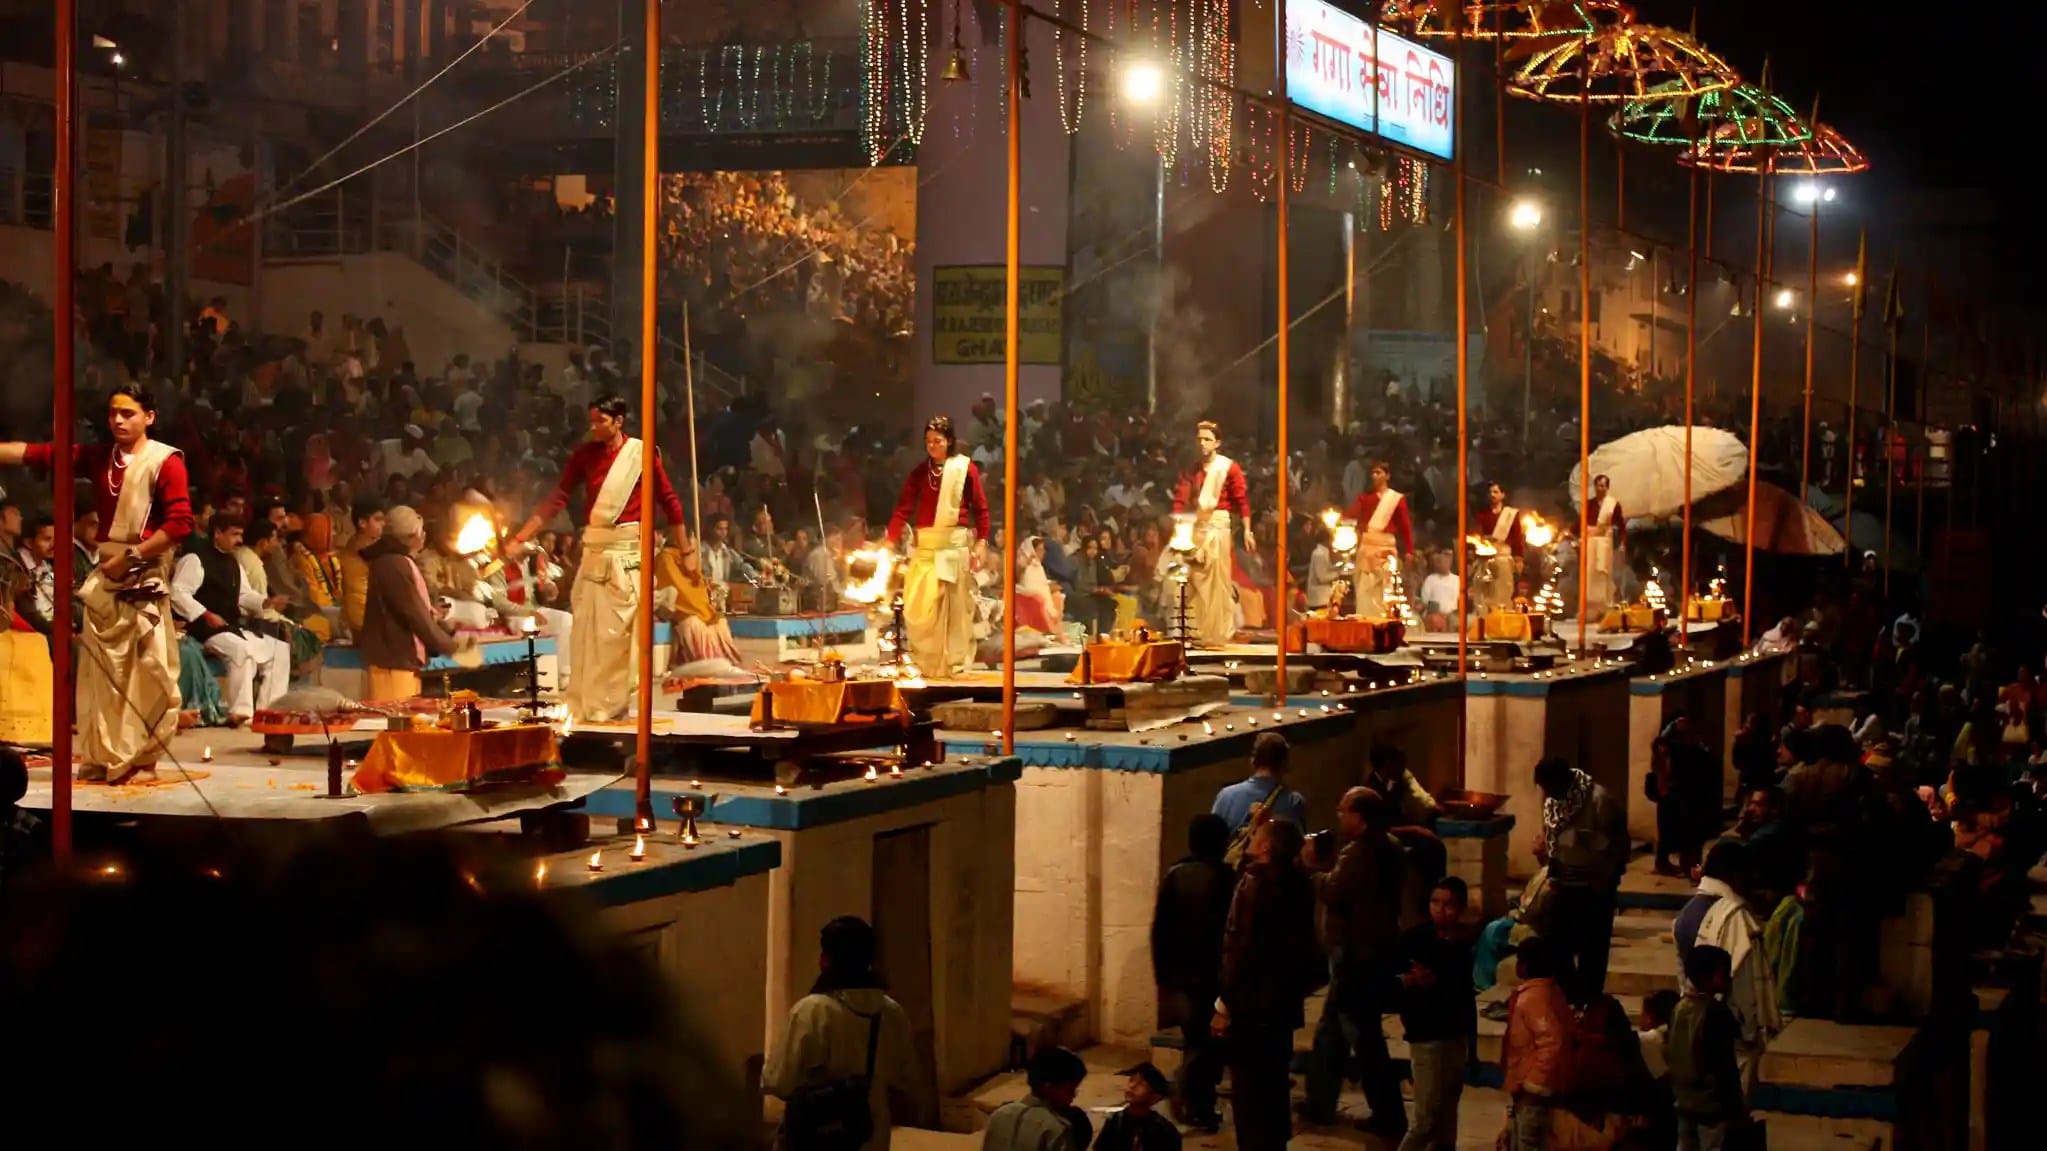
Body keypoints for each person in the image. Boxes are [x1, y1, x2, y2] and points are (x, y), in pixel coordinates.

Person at [0, 382, 193, 783]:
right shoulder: (99, 457)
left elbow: (179, 524)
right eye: (113, 414)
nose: (119, 421)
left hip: (142, 575)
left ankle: (142, 758)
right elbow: (41, 454)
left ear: (149, 417)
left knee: (150, 672)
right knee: (102, 676)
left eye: (128, 414)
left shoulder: (165, 462)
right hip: (108, 579)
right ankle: (106, 756)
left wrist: (133, 556)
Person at [506, 394, 689, 722]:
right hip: (594, 553)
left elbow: (670, 501)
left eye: (600, 421)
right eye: (591, 421)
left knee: (616, 637)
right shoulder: (584, 456)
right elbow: (557, 497)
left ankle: (611, 707)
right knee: (586, 633)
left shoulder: (641, 455)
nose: (593, 427)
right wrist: (522, 535)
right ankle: (587, 707)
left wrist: (686, 551)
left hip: (625, 557)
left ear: (618, 421)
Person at [763, 915, 924, 1151]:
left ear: (825, 960)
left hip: (816, 1139)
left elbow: (778, 1081)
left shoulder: (812, 1011)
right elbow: (906, 1078)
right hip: (870, 1136)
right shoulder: (892, 1011)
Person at [1303, 787, 1408, 1134]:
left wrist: (1313, 867)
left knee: (1364, 1037)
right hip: (1370, 952)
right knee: (1331, 1031)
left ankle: (1389, 1113)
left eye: (1343, 810)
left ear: (1359, 818)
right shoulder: (1388, 847)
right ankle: (1319, 1102)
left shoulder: (1360, 854)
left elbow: (1333, 890)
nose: (1338, 815)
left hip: (1356, 957)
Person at [1214, 818, 1321, 1151]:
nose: (1252, 835)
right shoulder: (1299, 884)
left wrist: (1224, 1004)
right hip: (1282, 1005)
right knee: (1274, 1089)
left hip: (1251, 1006)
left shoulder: (1253, 885)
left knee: (1249, 1095)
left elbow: (1241, 950)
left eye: (1258, 834)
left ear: (1266, 847)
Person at [1148, 814, 1234, 1132]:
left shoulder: (1175, 875)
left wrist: (1162, 978)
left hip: (1181, 976)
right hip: (1212, 975)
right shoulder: (1226, 878)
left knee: (1198, 1040)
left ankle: (1196, 1102)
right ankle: (1191, 1098)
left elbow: (1159, 930)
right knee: (1208, 1044)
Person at [886, 416, 990, 678]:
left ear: (950, 441)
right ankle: (928, 665)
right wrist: (889, 540)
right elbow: (903, 508)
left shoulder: (965, 469)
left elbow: (981, 509)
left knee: (954, 611)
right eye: (928, 441)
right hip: (926, 548)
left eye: (938, 441)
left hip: (953, 548)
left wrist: (982, 541)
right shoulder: (920, 473)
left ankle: (954, 665)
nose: (932, 446)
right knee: (920, 608)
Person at [169, 513, 292, 726]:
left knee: (279, 650)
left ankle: (268, 713)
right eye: (234, 534)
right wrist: (206, 614)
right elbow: (178, 593)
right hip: (203, 629)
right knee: (241, 651)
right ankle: (242, 713)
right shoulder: (195, 559)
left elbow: (244, 595)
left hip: (231, 628)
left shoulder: (233, 562)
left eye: (241, 534)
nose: (240, 540)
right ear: (217, 533)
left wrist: (266, 603)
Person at [1534, 756, 1629, 1001]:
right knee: (1555, 946)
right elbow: (1553, 839)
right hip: (1564, 883)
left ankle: (1588, 1003)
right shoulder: (1553, 803)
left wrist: (1605, 876)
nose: (1546, 793)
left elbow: (1619, 845)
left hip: (1595, 886)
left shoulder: (1598, 801)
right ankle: (1573, 996)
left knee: (1593, 951)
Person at [1395, 876, 1478, 1151]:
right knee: (1426, 1118)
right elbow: (1391, 983)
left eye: (1449, 904)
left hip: (1454, 1035)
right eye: (1435, 902)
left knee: (1447, 1114)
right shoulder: (1414, 940)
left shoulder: (1464, 943)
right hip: (1427, 1036)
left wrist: (1472, 1045)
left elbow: (1465, 995)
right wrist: (1410, 981)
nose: (1441, 910)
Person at [358, 506, 467, 700]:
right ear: (413, 535)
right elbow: (414, 615)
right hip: (392, 662)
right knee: (397, 724)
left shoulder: (396, 561)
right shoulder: (393, 564)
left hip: (399, 661)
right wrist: (453, 648)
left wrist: (433, 616)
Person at [1170, 420, 1251, 647]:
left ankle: (1215, 634)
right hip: (1197, 528)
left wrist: (1247, 529)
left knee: (1217, 582)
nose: (1202, 443)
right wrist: (1178, 528)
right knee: (1194, 580)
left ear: (1217, 443)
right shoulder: (1191, 470)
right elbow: (1180, 501)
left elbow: (1241, 500)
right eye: (1199, 439)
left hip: (1218, 528)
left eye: (1207, 439)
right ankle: (1196, 632)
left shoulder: (1228, 468)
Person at [1668, 946, 1748, 1151]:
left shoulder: (1680, 1009)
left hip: (1684, 1101)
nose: (1728, 977)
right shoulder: (1715, 1013)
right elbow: (1724, 1066)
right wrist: (1736, 1107)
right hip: (1711, 1107)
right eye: (1723, 972)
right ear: (1706, 977)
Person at [1502, 936, 1574, 1151]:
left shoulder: (1534, 998)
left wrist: (1533, 1083)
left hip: (1533, 1091)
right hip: (1528, 1086)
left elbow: (1552, 1042)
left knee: (1528, 1142)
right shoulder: (1548, 993)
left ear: (1524, 965)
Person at [981, 1045, 1086, 1151]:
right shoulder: (1055, 1129)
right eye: (1070, 1090)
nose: (1074, 1095)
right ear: (1049, 1088)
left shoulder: (999, 1115)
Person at [1346, 460, 1414, 618]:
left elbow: (1405, 527)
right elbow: (1350, 515)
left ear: (1387, 475)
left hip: (1386, 549)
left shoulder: (1396, 499)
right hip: (1367, 548)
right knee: (1365, 588)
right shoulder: (1365, 499)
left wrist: (1409, 550)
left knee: (1386, 588)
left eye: (1379, 472)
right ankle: (1365, 619)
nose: (1374, 476)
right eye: (1373, 473)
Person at [1210, 731, 1307, 836]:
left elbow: (1211, 841)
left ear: (1253, 761)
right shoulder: (1293, 802)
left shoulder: (1226, 796)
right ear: (1284, 764)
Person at [1093, 1062, 1181, 1151]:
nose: (1132, 1086)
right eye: (1132, 1080)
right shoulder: (1115, 1121)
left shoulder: (1165, 1131)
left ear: (1155, 1097)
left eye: (1141, 1084)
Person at [1584, 473, 1625, 616]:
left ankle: (1605, 606)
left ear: (1607, 487)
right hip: (1590, 543)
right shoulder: (1589, 504)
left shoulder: (1613, 504)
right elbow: (1581, 522)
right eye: (1598, 486)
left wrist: (1621, 542)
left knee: (1603, 573)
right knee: (1590, 574)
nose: (1600, 488)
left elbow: (1620, 524)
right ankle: (1591, 608)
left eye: (1603, 486)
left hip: (1605, 543)